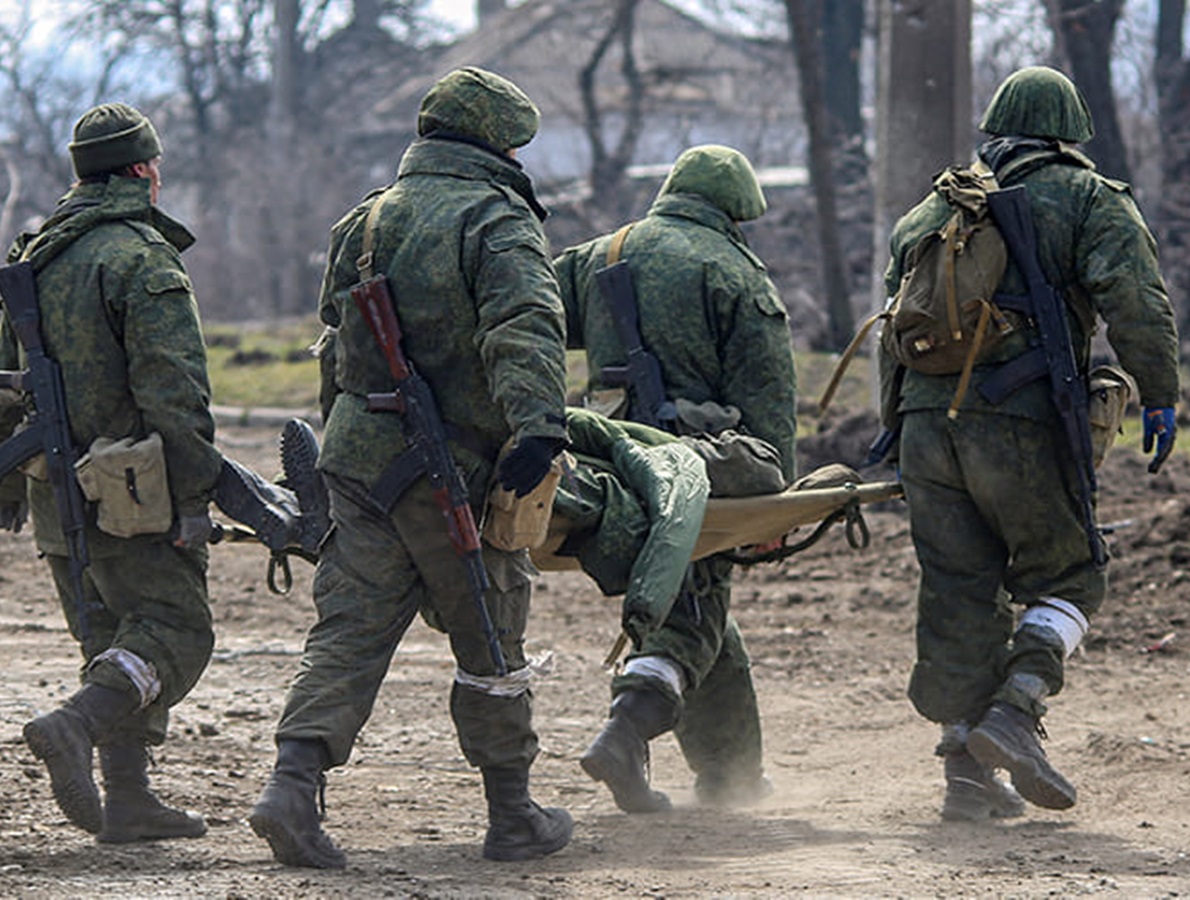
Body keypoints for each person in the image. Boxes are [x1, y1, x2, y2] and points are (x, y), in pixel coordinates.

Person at [247, 67, 572, 868]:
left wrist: (336, 452)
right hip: (451, 465)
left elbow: (334, 344)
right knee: (490, 631)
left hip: (357, 458)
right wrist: (539, 425)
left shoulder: (361, 222)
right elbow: (523, 324)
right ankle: (513, 814)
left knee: (349, 629)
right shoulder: (495, 218)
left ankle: (291, 788)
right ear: (496, 142)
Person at [882, 67, 1180, 820]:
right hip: (1017, 422)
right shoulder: (1087, 198)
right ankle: (1016, 710)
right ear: (1070, 130)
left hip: (925, 430)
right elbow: (1136, 302)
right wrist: (1163, 392)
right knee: (1072, 574)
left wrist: (894, 433)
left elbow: (894, 328)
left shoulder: (932, 208)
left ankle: (964, 773)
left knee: (959, 589)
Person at [0, 102, 229, 844]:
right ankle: (74, 726)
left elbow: (6, 384)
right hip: (135, 493)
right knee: (176, 630)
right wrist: (193, 499)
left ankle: (128, 798)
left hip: (51, 491)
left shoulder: (31, 254)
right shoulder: (140, 257)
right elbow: (175, 391)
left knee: (113, 641)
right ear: (141, 170)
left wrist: (11, 491)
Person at [553, 144, 797, 812]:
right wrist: (779, 508)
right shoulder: (736, 273)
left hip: (605, 462)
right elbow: (769, 403)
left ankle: (731, 776)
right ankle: (628, 726)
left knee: (700, 606)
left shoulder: (599, 256)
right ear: (735, 211)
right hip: (694, 473)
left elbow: (532, 324)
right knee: (697, 599)